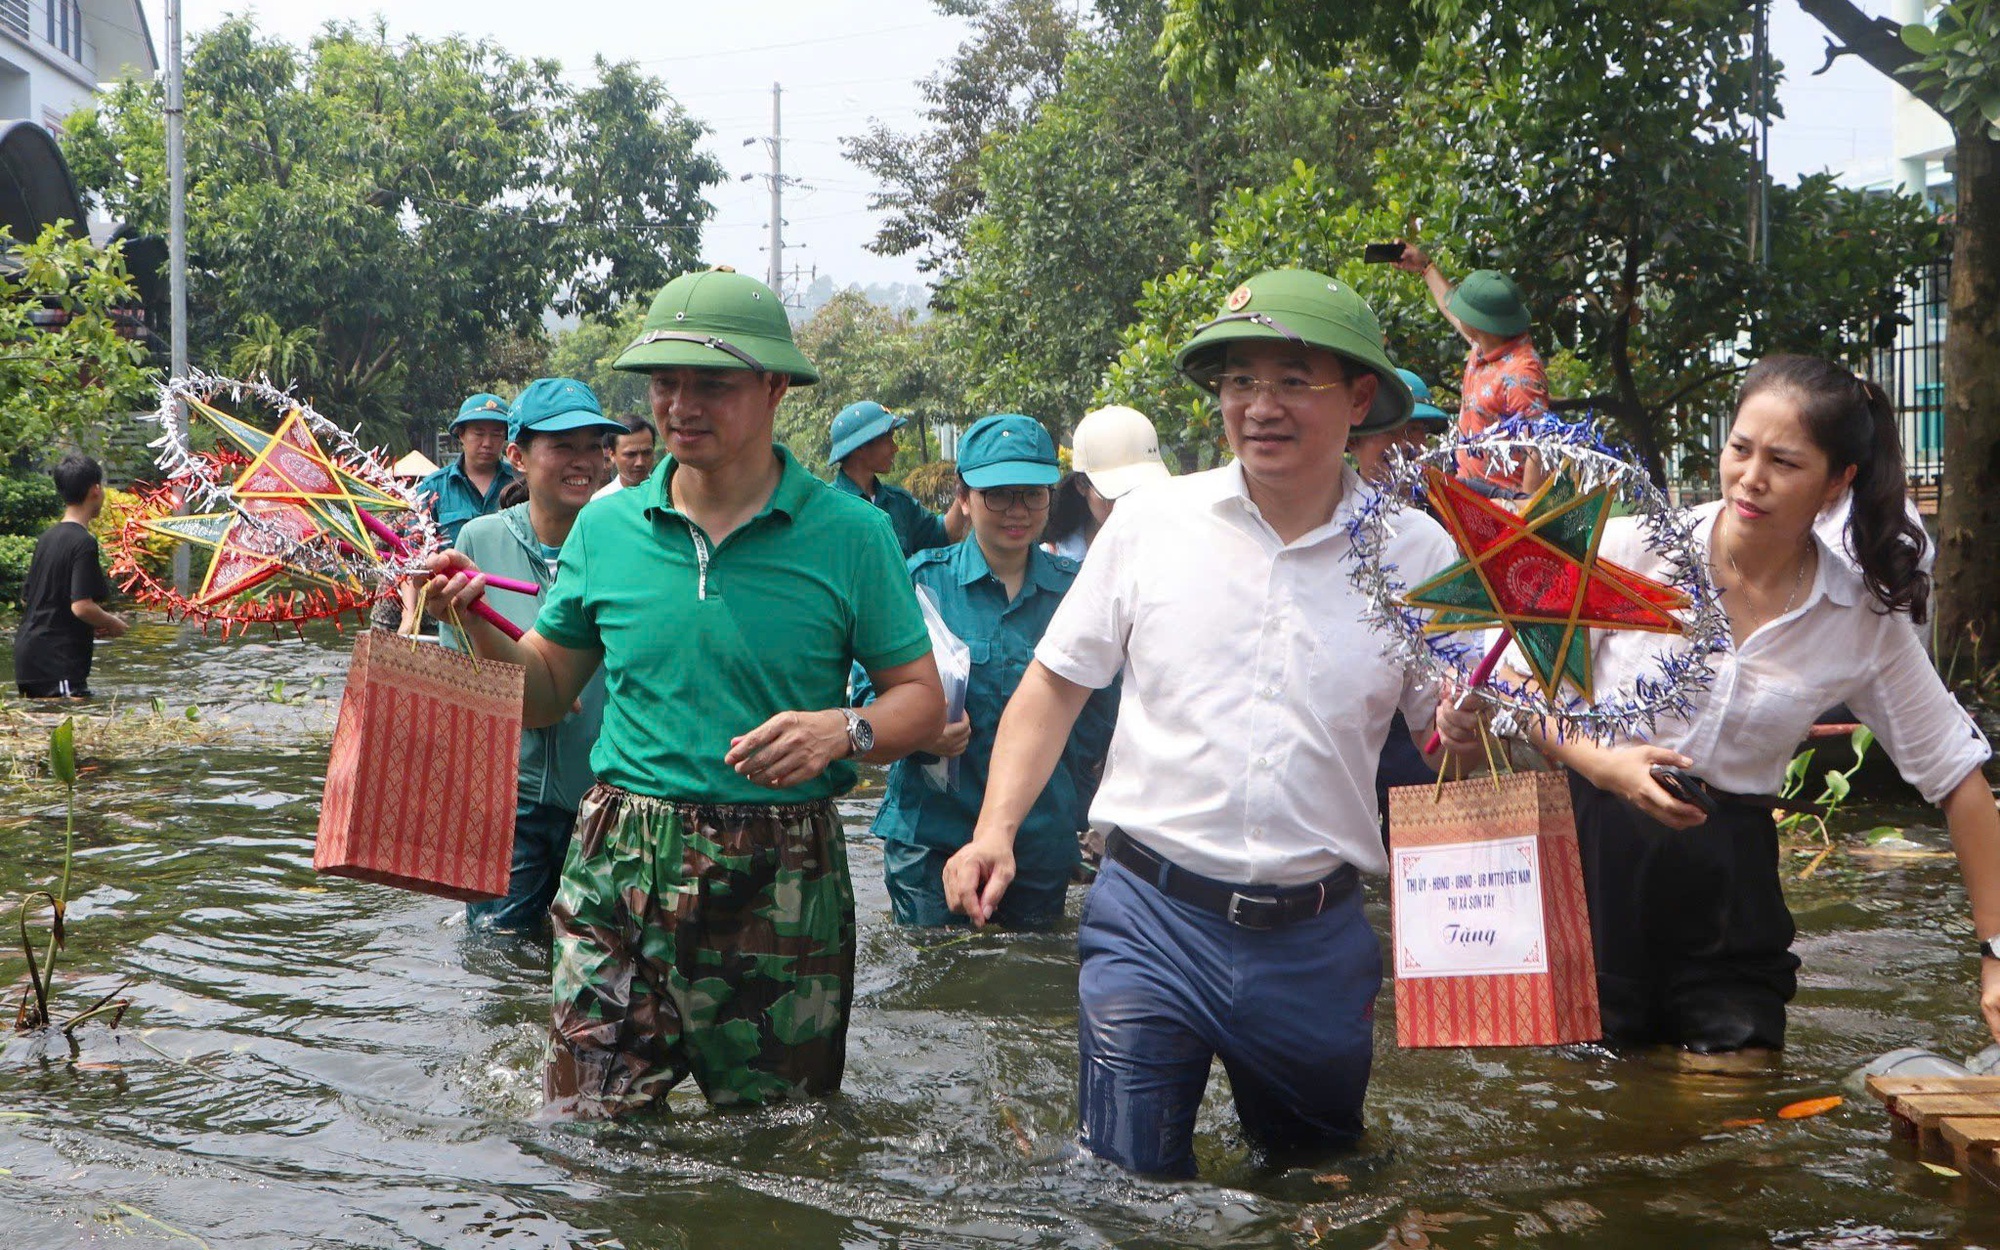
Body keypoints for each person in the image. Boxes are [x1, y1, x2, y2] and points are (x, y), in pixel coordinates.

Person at [940, 269, 1483, 1177]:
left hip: (1317, 936)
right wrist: (993, 830)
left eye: (1291, 381)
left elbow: (1460, 753)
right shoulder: (1154, 523)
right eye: (1239, 382)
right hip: (1150, 915)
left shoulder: (1419, 554)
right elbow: (1055, 686)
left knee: (1317, 1186)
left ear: (1358, 400)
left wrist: (1470, 735)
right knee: (1125, 1191)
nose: (1260, 406)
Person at [425, 265, 944, 1115]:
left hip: (781, 873)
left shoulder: (851, 534)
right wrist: (472, 618)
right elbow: (551, 691)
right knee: (589, 1128)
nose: (681, 406)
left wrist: (842, 729)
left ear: (776, 388)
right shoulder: (610, 525)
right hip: (621, 852)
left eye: (714, 384)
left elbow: (919, 701)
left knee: (778, 1136)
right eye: (666, 383)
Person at [1520, 355, 2000, 1057]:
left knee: (1731, 1110)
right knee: (1601, 1112)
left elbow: (1959, 778)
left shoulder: (1858, 617)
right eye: (1740, 448)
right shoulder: (1628, 549)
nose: (1752, 477)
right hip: (1594, 866)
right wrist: (1607, 767)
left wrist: (1995, 952)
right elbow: (1522, 691)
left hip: (1728, 887)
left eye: (1784, 461)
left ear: (1839, 481)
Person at [865, 414, 1117, 929]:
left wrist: (1071, 791)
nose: (1016, 511)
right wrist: (923, 734)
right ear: (963, 498)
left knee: (1024, 989)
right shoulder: (920, 586)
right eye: (998, 495)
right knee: (932, 988)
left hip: (1038, 837)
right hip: (930, 836)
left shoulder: (1079, 593)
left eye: (1032, 494)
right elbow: (868, 693)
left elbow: (1100, 714)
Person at [440, 378, 623, 935]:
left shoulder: (625, 543)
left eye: (595, 445)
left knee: (593, 955)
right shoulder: (478, 539)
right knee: (499, 955)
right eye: (563, 446)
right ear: (517, 456)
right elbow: (461, 670)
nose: (584, 461)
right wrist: (531, 692)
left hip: (601, 795)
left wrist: (572, 685)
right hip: (506, 795)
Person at [1393, 247, 1548, 499]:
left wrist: (1524, 517)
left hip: (1503, 499)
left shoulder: (1522, 373)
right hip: (1470, 485)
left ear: (1478, 323)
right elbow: (1448, 307)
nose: (1458, 312)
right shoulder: (1486, 343)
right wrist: (1425, 266)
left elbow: (1538, 447)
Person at [12, 454, 127, 698]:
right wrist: (111, 622)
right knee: (72, 727)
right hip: (56, 662)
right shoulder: (83, 542)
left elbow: (28, 600)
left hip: (28, 657)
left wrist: (88, 625)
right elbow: (82, 607)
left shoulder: (47, 538)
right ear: (95, 490)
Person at [829, 399, 967, 557]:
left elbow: (945, 534)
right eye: (888, 438)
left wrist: (966, 485)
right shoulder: (828, 507)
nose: (895, 448)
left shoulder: (900, 504)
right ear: (860, 447)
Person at [1043, 404, 1172, 562]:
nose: (1128, 505)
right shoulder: (1051, 561)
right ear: (1082, 485)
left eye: (1141, 492)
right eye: (1118, 495)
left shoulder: (1173, 552)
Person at [416, 393, 518, 545]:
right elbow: (415, 548)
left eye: (496, 434)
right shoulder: (432, 489)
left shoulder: (520, 483)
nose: (487, 443)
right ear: (461, 434)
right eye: (479, 433)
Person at [1351, 368, 1452, 487]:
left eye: (1413, 429)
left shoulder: (1451, 501)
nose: (1403, 444)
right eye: (1386, 431)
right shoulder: (1334, 504)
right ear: (1351, 441)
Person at [592, 415, 658, 500]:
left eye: (646, 453)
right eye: (631, 454)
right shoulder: (600, 502)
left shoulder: (669, 495)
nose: (640, 462)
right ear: (612, 455)